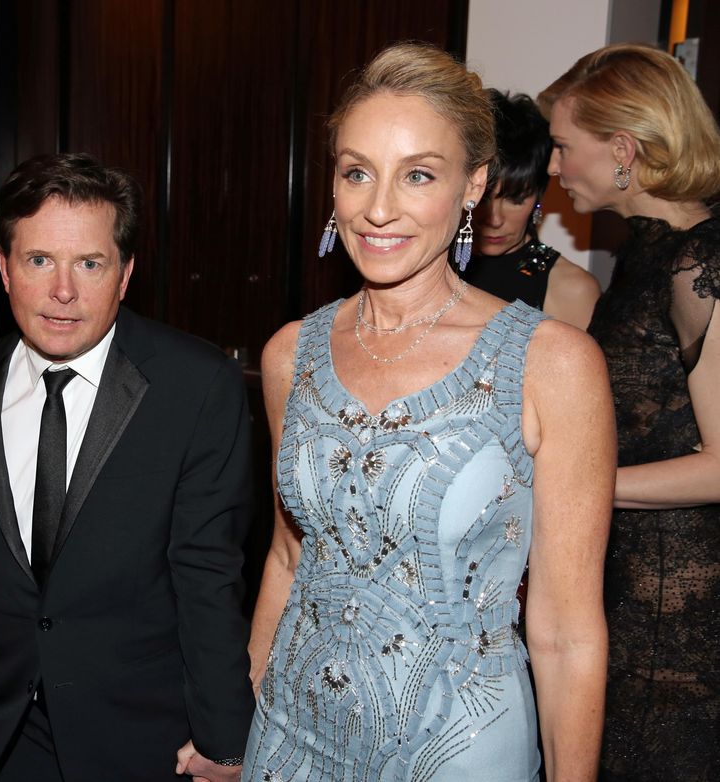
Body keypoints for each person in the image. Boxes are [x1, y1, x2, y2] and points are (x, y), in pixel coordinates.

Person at [244, 42, 615, 782]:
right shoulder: (291, 354)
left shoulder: (553, 363)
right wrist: (246, 702)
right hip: (288, 737)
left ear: (474, 184)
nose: (379, 208)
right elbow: (290, 556)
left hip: (458, 749)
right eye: (357, 173)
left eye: (418, 175)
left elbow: (569, 633)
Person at [0, 153, 254, 782]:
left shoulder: (195, 385)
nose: (63, 291)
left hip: (139, 735)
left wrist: (226, 737)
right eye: (38, 261)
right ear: (4, 268)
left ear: (125, 274)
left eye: (89, 263)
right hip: (1, 730)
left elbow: (207, 575)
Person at [539, 43, 720, 782]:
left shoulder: (700, 262)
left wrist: (575, 485)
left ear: (622, 148)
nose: (552, 168)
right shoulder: (645, 257)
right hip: (631, 588)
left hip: (677, 623)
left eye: (560, 146)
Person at [462, 89, 600, 329]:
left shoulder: (570, 289)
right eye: (483, 199)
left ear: (539, 194)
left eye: (515, 199)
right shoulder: (433, 265)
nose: (495, 219)